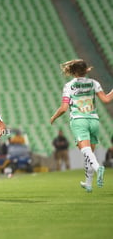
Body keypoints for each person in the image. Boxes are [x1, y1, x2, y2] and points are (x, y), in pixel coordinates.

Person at [50, 59, 113, 192]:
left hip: (79, 120)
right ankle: (88, 183)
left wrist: (54, 117)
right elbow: (106, 99)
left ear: (72, 71)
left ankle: (97, 168)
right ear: (86, 70)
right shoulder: (94, 83)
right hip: (94, 120)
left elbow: (64, 108)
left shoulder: (69, 86)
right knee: (89, 153)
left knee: (85, 150)